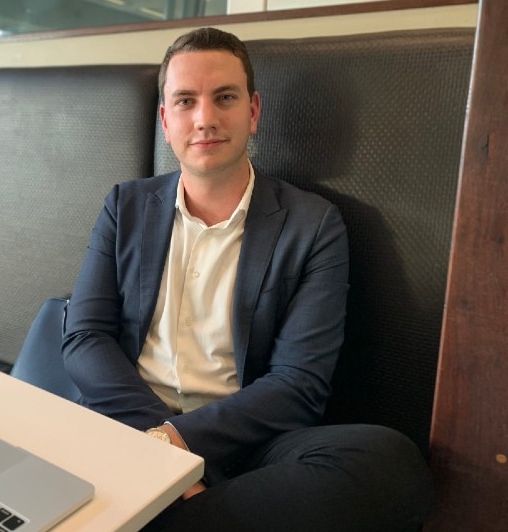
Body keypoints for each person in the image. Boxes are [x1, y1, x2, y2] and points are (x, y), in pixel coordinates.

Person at [61, 27, 433, 531]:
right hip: (126, 422)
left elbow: (299, 384)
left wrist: (176, 444)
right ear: (165, 120)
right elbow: (85, 338)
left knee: (387, 460)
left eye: (225, 98)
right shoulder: (124, 206)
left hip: (244, 441)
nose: (206, 118)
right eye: (186, 101)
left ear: (253, 111)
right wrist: (156, 441)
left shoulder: (313, 224)